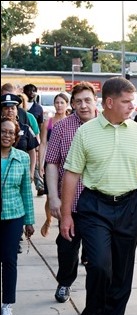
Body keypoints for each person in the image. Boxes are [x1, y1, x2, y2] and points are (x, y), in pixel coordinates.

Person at [60, 76, 137, 315]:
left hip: (128, 206)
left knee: (122, 273)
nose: (132, 106)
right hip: (94, 207)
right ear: (110, 102)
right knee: (101, 266)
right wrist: (66, 214)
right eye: (127, 102)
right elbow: (71, 174)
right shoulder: (87, 132)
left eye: (133, 101)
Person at [45, 82, 98, 303]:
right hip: (71, 202)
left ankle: (99, 292)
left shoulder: (109, 125)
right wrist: (54, 197)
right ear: (72, 104)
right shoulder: (61, 128)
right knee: (67, 247)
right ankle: (65, 282)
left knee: (99, 254)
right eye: (78, 101)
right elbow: (51, 164)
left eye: (87, 100)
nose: (83, 105)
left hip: (100, 203)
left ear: (96, 101)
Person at [1, 116, 35, 315]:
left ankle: (7, 305)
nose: (6, 135)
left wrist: (29, 221)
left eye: (10, 132)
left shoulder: (22, 157)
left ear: (15, 137)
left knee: (9, 260)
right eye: (3, 131)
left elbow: (26, 191)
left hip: (13, 215)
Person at [39, 92, 69, 237]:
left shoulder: (70, 122)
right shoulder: (48, 122)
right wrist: (40, 164)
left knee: (64, 194)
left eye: (62, 102)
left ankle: (62, 222)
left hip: (65, 163)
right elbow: (43, 143)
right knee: (50, 194)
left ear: (67, 105)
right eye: (57, 102)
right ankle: (49, 219)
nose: (59, 105)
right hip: (50, 162)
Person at [23, 84, 44, 196]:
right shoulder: (21, 107)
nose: (31, 92)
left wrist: (38, 141)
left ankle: (39, 185)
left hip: (33, 138)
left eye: (34, 90)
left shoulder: (38, 108)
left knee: (34, 162)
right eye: (29, 90)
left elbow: (39, 126)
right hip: (21, 138)